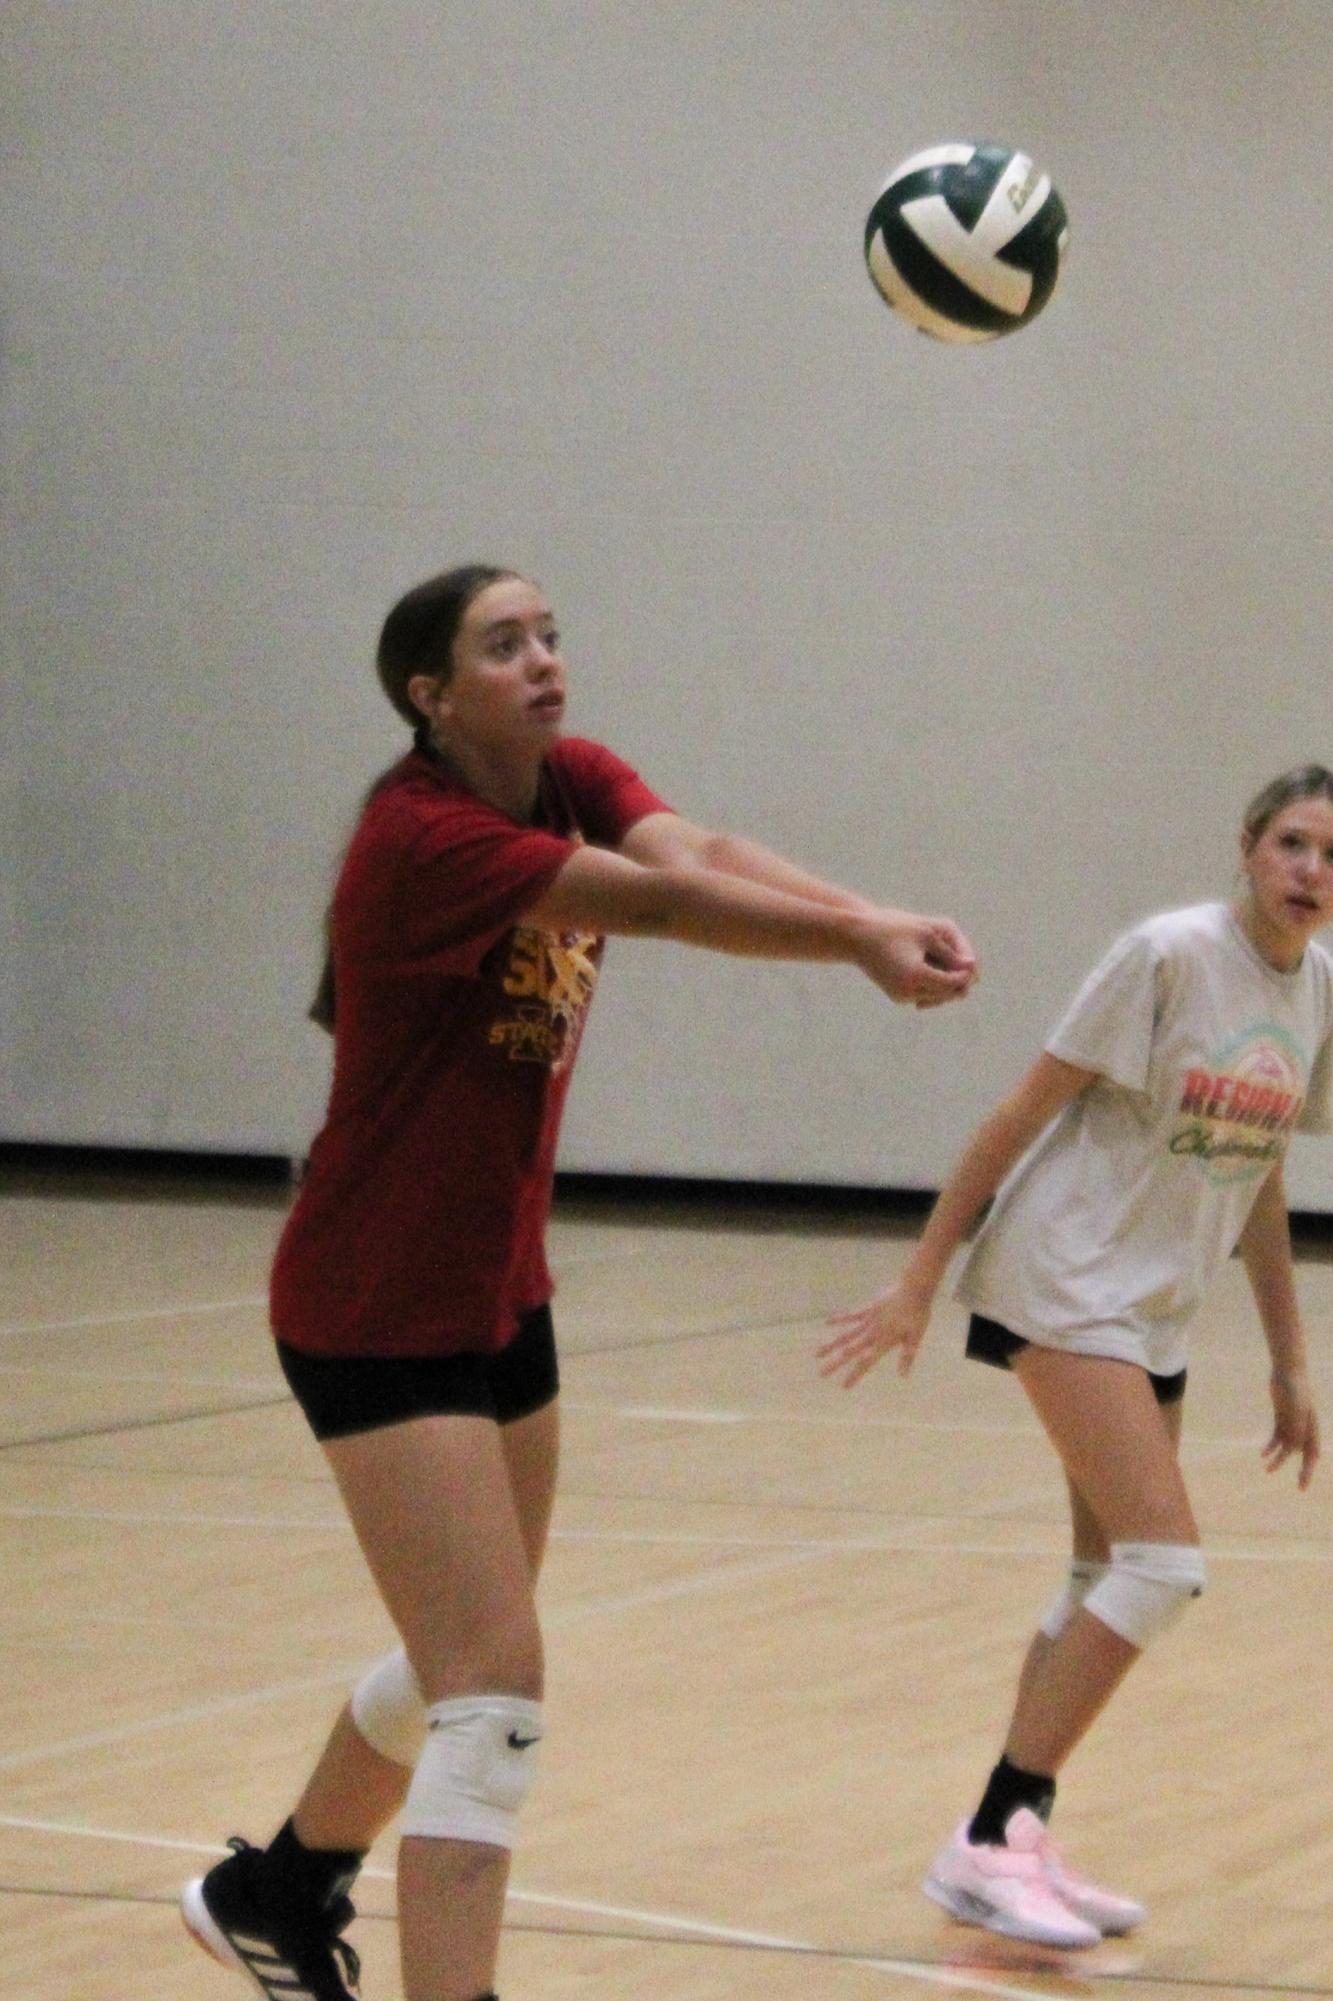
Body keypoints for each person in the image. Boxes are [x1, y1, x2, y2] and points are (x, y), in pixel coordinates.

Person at [180, 562, 977, 2001]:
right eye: (504, 645)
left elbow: (704, 848)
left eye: (549, 634)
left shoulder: (566, 775)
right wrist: (853, 943)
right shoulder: (424, 839)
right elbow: (663, 907)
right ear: (430, 697)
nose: (544, 659)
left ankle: (278, 1888)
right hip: (375, 1306)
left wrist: (871, 911)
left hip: (496, 1292)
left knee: (460, 1655)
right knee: (494, 1691)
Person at [819, 766, 1333, 1950]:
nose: (1308, 872)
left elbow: (1265, 1174)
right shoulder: (1167, 955)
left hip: (1156, 1303)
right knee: (1163, 1565)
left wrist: (1289, 1360)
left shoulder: (1318, 988)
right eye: (1290, 844)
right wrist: (920, 1277)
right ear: (1246, 847)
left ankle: (1016, 1841)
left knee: (1097, 1579)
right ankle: (986, 1834)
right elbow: (1019, 1113)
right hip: (1064, 1275)